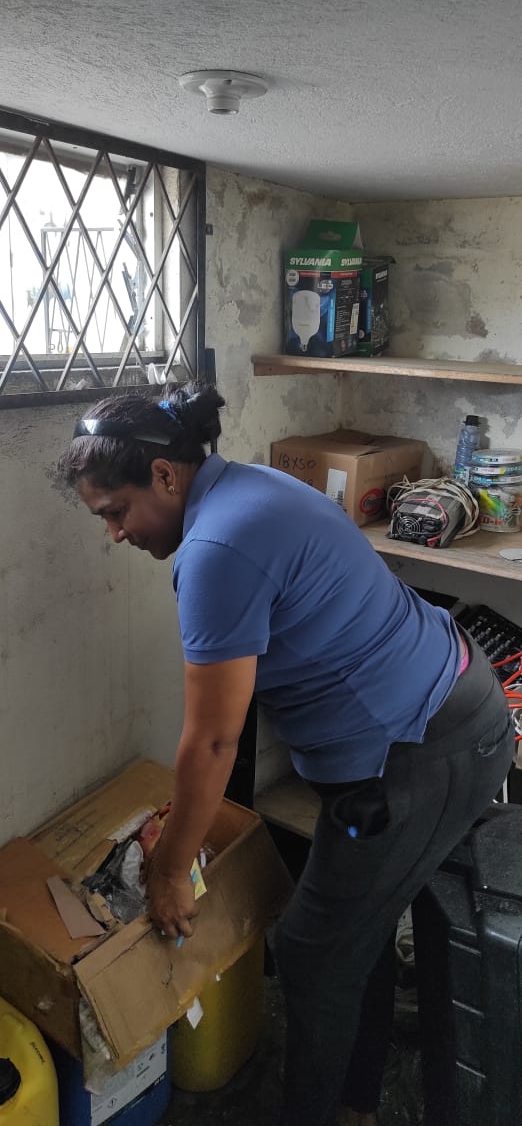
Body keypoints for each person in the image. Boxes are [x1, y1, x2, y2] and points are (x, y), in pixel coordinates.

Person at [58, 382, 514, 1126]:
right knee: (357, 931)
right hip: (444, 705)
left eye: (116, 512)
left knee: (311, 953)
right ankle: (360, 1099)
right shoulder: (247, 488)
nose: (115, 534)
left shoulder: (216, 549)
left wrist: (170, 871)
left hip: (420, 749)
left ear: (164, 476)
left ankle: (327, 1111)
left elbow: (213, 739)